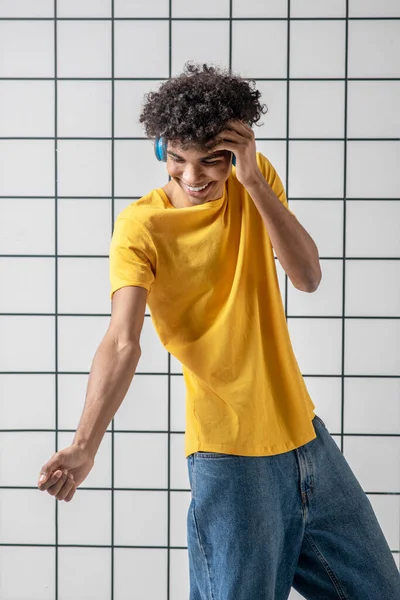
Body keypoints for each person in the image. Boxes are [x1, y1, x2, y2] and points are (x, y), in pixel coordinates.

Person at [38, 62, 400, 599]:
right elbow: (122, 341)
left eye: (212, 161)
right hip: (229, 459)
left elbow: (307, 276)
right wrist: (85, 445)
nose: (193, 178)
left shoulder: (255, 183)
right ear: (162, 150)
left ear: (236, 153)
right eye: (178, 160)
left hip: (307, 441)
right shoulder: (141, 227)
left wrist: (253, 180)